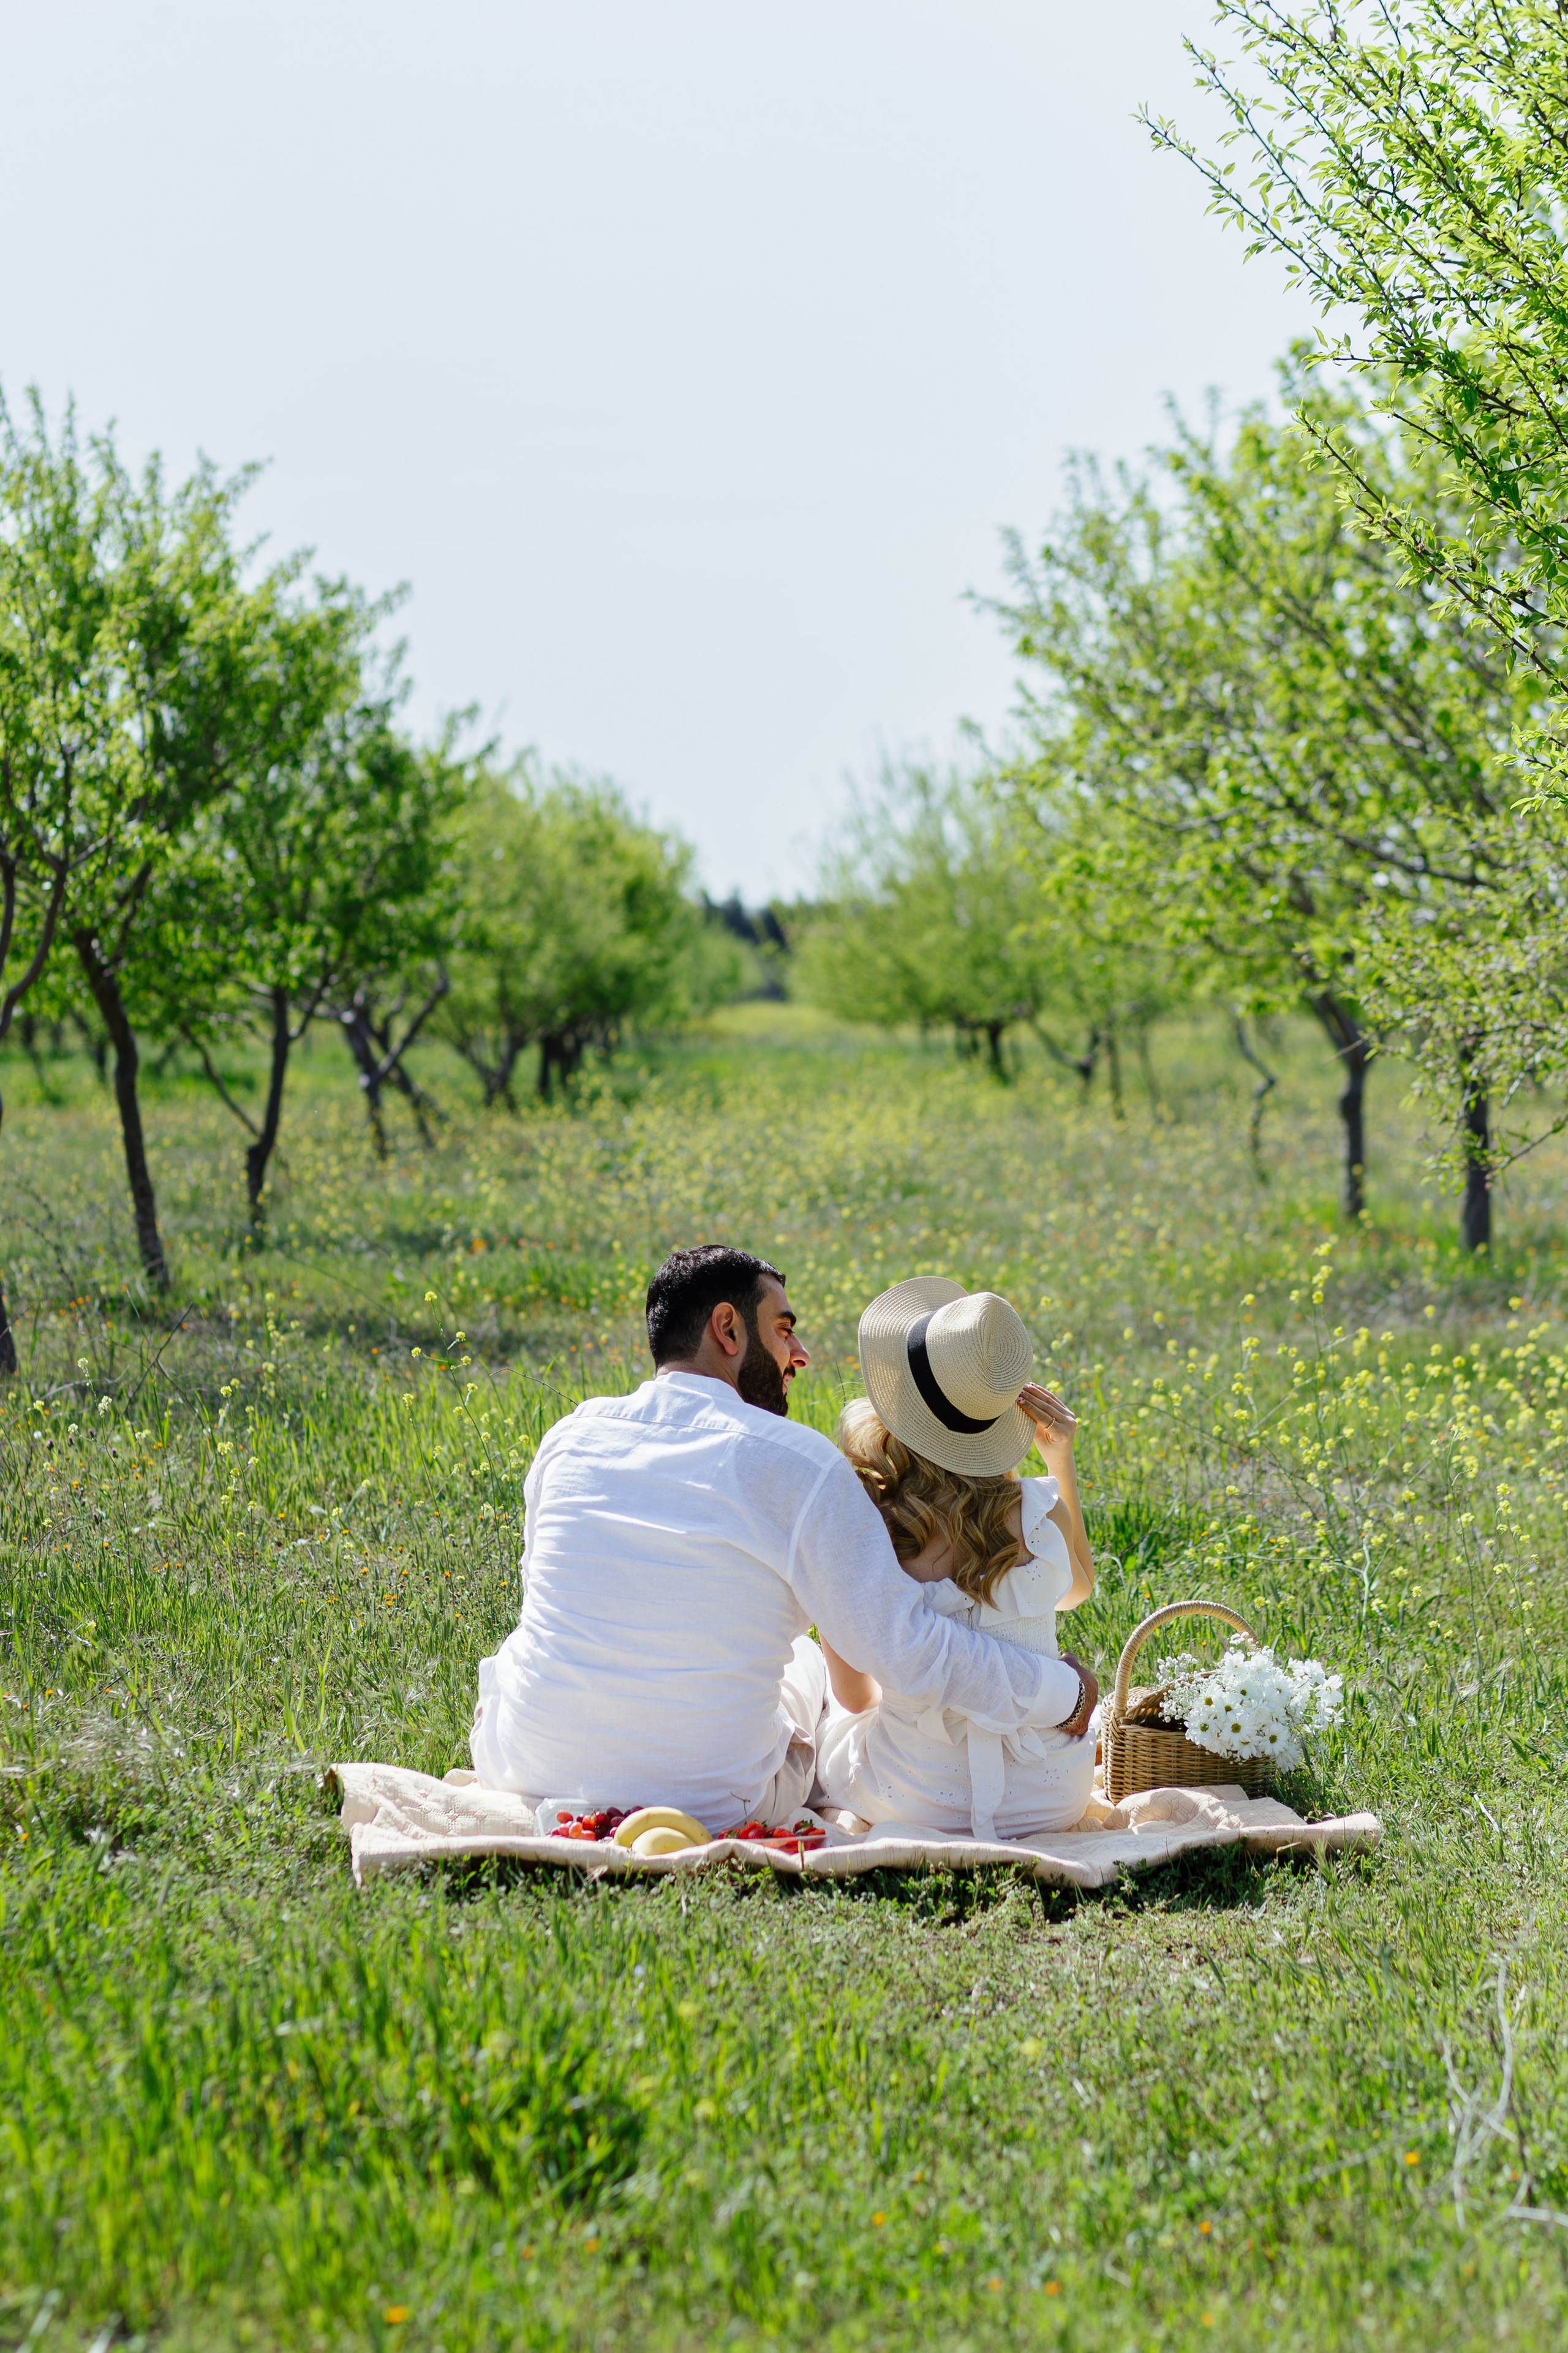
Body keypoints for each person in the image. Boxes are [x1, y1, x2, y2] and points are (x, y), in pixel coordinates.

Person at [469, 1245, 1097, 1829]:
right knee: (800, 1661)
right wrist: (1063, 1692)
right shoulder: (796, 1462)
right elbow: (909, 1651)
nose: (800, 1355)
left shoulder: (568, 1438)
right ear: (728, 1329)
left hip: (528, 1769)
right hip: (715, 1798)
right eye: (784, 1329)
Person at [815, 1277, 1097, 1840]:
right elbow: (1078, 1590)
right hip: (1053, 1796)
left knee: (824, 1721)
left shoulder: (867, 1522)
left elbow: (856, 1696)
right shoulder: (1040, 1513)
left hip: (916, 1796)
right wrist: (1059, 1463)